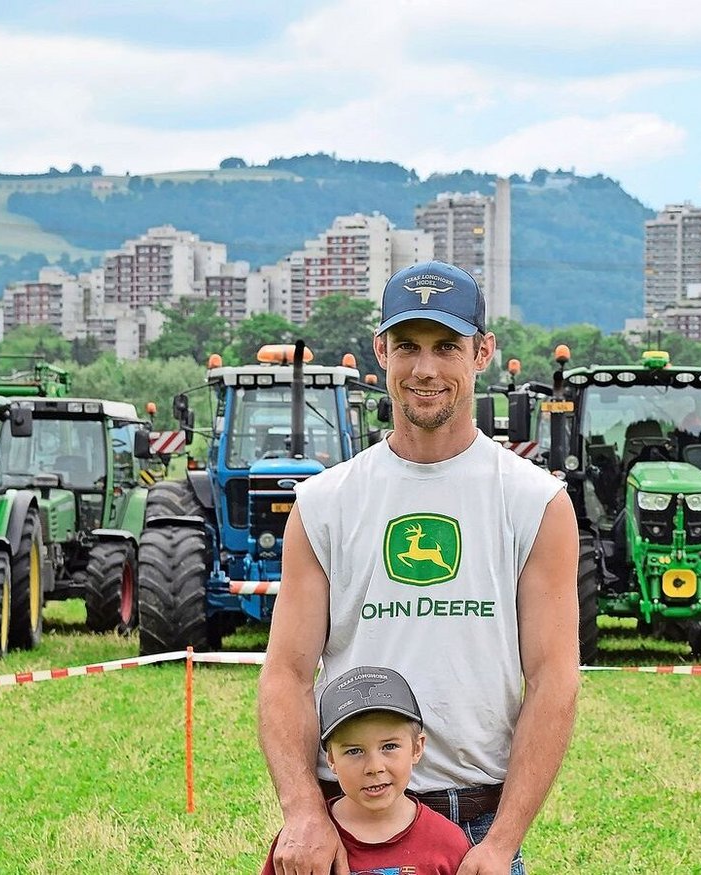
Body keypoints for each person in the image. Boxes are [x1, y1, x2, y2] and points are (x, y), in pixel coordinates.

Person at [258, 260, 580, 875]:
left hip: (477, 820)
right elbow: (288, 674)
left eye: (447, 347)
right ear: (381, 350)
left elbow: (553, 680)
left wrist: (502, 842)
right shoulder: (325, 503)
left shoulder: (534, 502)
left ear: (482, 352)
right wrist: (302, 810)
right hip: (349, 817)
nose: (425, 369)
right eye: (407, 346)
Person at [260, 666, 471, 875]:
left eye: (389, 746)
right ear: (331, 759)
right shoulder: (306, 844)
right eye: (354, 751)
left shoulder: (447, 843)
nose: (374, 768)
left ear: (417, 748)